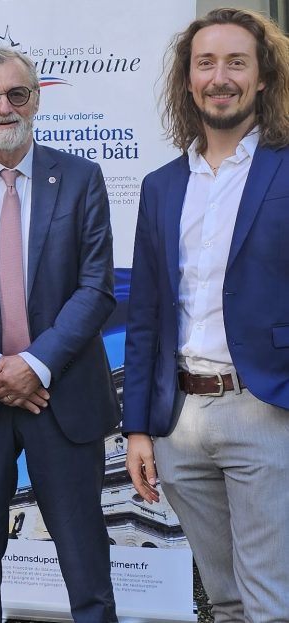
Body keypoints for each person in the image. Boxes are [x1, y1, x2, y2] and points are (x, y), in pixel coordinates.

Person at [0, 48, 119, 622]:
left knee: (85, 557)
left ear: (37, 98)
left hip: (61, 395)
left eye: (16, 95)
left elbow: (96, 288)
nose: (4, 108)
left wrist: (35, 363)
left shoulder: (81, 178)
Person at [123, 8, 289, 621]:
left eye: (236, 62)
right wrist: (139, 428)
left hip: (266, 413)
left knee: (271, 603)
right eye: (206, 63)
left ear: (263, 77)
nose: (220, 77)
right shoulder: (161, 185)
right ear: (188, 80)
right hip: (180, 425)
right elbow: (145, 317)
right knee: (225, 601)